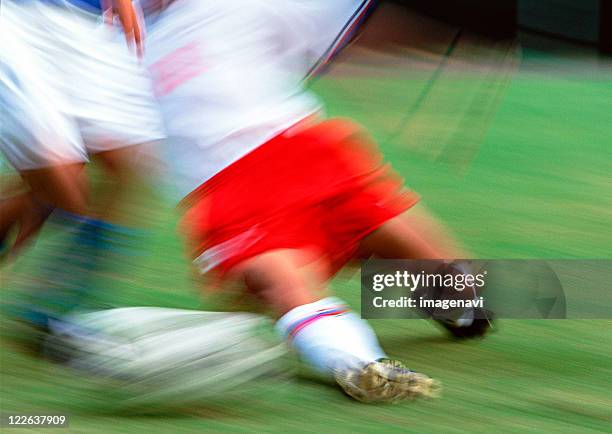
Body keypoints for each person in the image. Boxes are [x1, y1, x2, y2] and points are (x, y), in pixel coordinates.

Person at [0, 0, 165, 331]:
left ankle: (54, 307)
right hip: (17, 16)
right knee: (64, 187)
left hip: (89, 22)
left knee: (127, 161)